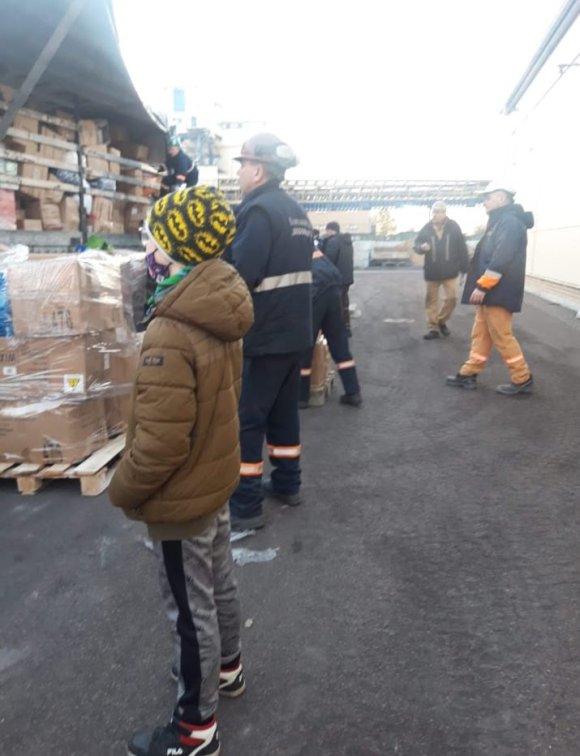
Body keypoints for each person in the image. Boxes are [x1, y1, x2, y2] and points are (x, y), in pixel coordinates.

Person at [108, 185, 254, 756]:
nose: (146, 244)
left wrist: (124, 489)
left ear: (176, 250)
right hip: (212, 483)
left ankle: (194, 731)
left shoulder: (171, 328)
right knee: (218, 585)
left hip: (179, 499)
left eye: (153, 235)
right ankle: (227, 671)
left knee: (190, 615)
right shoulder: (218, 305)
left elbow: (162, 444)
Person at [225, 133, 313, 531]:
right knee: (283, 415)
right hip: (294, 332)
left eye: (242, 164)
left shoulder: (257, 211)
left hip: (263, 335)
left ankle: (245, 504)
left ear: (258, 170)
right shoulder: (295, 211)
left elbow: (241, 274)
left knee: (248, 419)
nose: (239, 172)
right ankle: (288, 484)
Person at [446, 181, 534, 396]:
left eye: (487, 197)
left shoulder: (509, 223)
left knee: (501, 335)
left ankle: (522, 378)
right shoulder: (500, 222)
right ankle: (469, 373)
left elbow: (501, 258)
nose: (483, 202)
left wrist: (483, 286)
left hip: (498, 291)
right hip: (494, 291)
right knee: (481, 334)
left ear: (502, 198)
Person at [300, 248, 362, 407]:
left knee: (305, 345)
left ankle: (301, 397)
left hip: (315, 290)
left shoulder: (283, 242)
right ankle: (353, 392)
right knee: (339, 342)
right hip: (332, 287)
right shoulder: (307, 242)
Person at [413, 200, 469, 339]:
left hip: (450, 271)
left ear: (445, 213)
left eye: (441, 211)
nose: (438, 214)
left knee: (452, 298)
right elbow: (417, 244)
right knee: (431, 301)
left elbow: (462, 247)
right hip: (432, 271)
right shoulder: (426, 228)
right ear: (432, 213)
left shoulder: (454, 226)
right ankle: (433, 329)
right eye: (435, 212)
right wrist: (421, 247)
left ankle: (441, 321)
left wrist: (465, 269)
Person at [319, 221, 354, 335]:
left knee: (336, 305)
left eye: (326, 230)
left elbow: (328, 261)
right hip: (347, 278)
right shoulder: (347, 241)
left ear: (331, 230)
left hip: (337, 279)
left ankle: (339, 330)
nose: (326, 233)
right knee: (344, 303)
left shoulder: (333, 242)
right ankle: (347, 327)